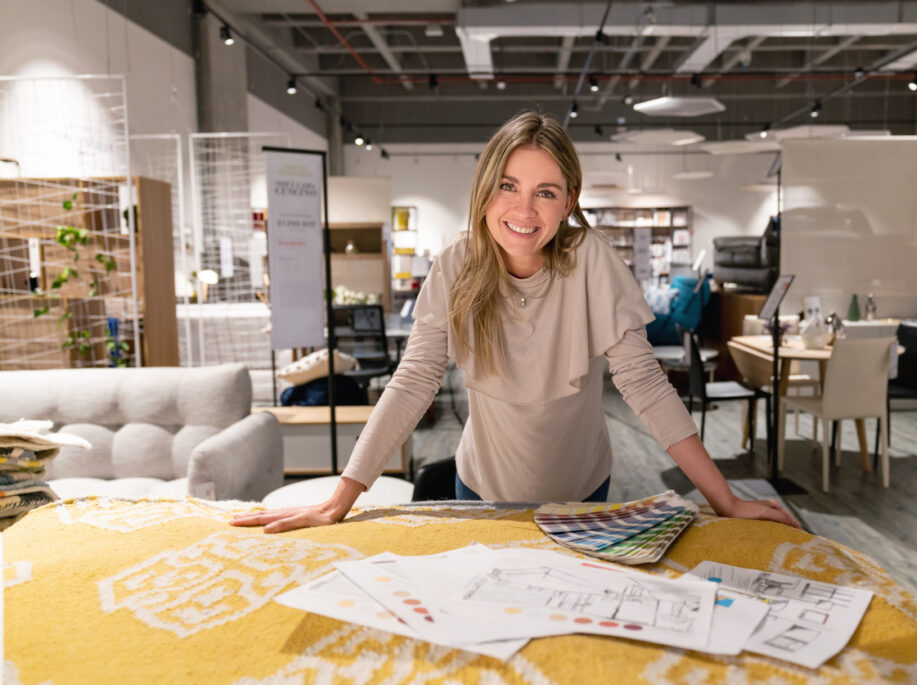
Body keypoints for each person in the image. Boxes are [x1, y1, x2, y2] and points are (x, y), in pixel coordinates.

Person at [232, 111, 800, 534]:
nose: (524, 210)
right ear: (485, 189)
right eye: (509, 186)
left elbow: (646, 385)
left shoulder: (591, 261)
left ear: (568, 200)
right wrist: (342, 498)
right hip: (481, 487)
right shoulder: (457, 261)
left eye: (545, 193)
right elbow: (413, 381)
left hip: (583, 488)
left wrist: (725, 500)